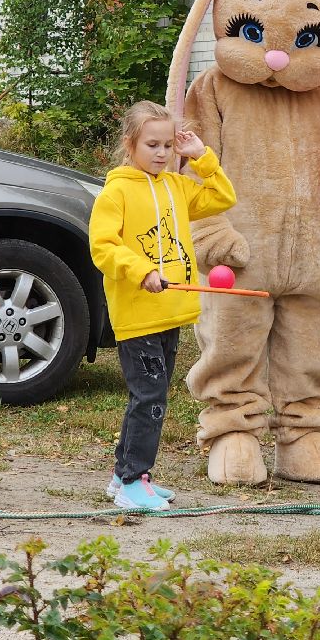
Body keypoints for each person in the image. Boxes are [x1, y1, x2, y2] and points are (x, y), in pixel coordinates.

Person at [89, 100, 237, 511]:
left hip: (171, 311)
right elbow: (103, 247)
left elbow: (223, 196)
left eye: (169, 145)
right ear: (130, 144)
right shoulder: (115, 191)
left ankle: (123, 478)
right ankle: (135, 479)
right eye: (152, 144)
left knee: (153, 395)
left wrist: (201, 157)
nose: (161, 152)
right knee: (149, 397)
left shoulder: (177, 187)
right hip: (137, 315)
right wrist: (141, 271)